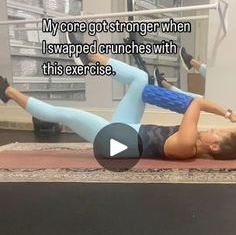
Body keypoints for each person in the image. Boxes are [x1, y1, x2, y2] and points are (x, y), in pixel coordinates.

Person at [1, 42, 236, 160]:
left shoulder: (187, 144)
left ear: (214, 146)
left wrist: (226, 113)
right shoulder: (195, 140)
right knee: (140, 77)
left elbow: (196, 104)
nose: (214, 129)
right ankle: (88, 54)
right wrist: (228, 114)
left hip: (113, 141)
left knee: (65, 114)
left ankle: (8, 92)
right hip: (126, 129)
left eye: (219, 132)